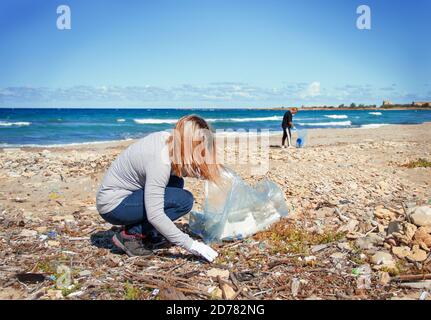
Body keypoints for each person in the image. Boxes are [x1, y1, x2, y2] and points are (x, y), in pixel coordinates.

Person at [96, 115, 221, 262]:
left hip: (127, 197)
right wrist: (193, 245)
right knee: (184, 200)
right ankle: (129, 235)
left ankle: (147, 231)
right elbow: (155, 215)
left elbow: (179, 168)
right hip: (113, 206)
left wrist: (207, 172)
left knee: (176, 181)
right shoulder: (160, 161)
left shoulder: (167, 140)